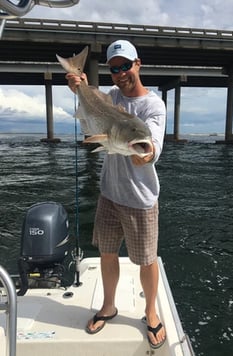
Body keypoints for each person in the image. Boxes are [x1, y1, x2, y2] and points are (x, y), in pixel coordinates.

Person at [66, 39, 166, 349]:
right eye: (114, 68)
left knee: (147, 261)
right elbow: (91, 124)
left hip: (140, 199)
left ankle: (150, 312)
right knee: (107, 254)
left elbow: (153, 144)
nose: (121, 72)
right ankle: (109, 306)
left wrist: (146, 155)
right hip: (109, 193)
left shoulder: (153, 105)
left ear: (138, 63)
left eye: (126, 65)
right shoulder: (109, 96)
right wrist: (78, 87)